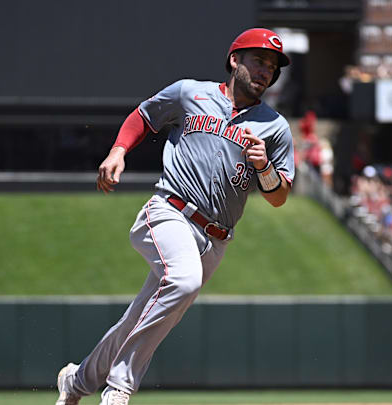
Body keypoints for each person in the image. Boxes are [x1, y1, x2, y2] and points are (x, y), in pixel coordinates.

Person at [54, 28, 295, 405]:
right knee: (183, 281)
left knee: (137, 320)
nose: (266, 71)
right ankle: (119, 387)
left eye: (272, 66)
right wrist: (119, 150)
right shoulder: (190, 93)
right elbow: (144, 116)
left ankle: (77, 382)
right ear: (235, 60)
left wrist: (265, 169)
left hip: (216, 238)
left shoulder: (274, 127)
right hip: (170, 212)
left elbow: (280, 196)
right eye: (258, 60)